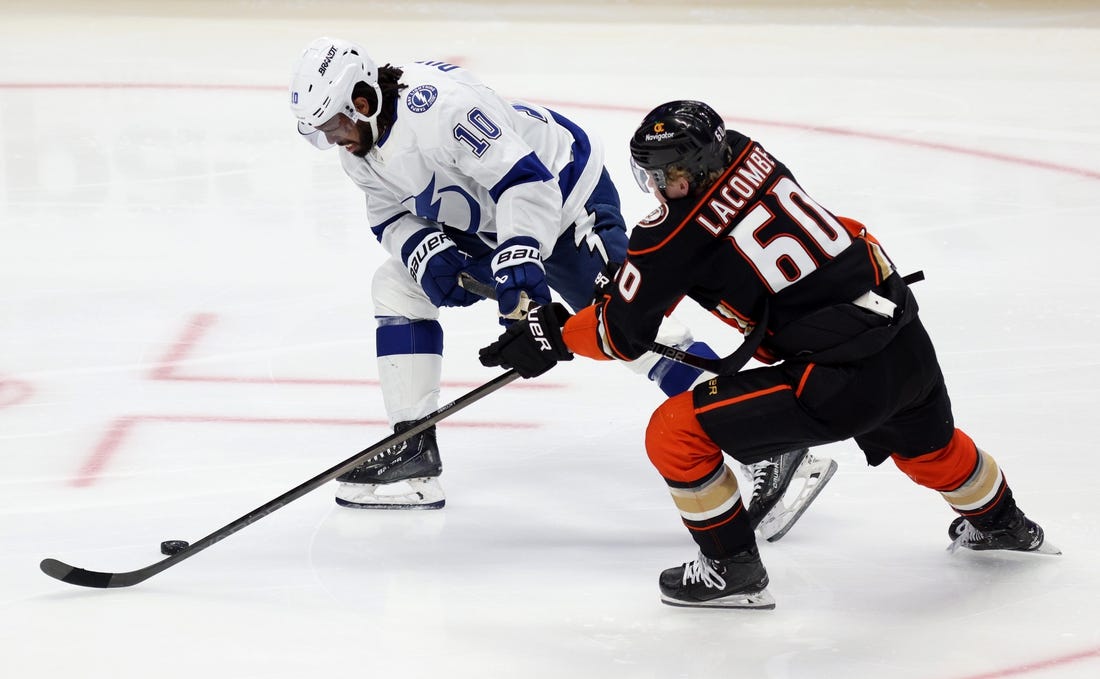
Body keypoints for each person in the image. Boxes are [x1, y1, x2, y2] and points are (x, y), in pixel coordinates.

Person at [480, 100, 1059, 609]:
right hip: (901, 334)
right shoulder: (751, 153)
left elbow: (621, 335)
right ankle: (1005, 523)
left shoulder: (669, 235)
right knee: (929, 448)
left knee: (675, 432)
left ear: (701, 164)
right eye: (660, 173)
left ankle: (732, 571)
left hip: (835, 377)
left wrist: (555, 336)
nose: (665, 184)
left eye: (673, 173)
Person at [288, 38, 831, 522]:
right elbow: (387, 211)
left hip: (566, 199)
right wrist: (424, 250)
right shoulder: (359, 144)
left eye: (334, 125)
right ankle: (412, 450)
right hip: (488, 216)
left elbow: (527, 184)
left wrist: (520, 275)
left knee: (625, 328)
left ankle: (774, 443)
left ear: (363, 100)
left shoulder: (445, 109)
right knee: (397, 283)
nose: (334, 140)